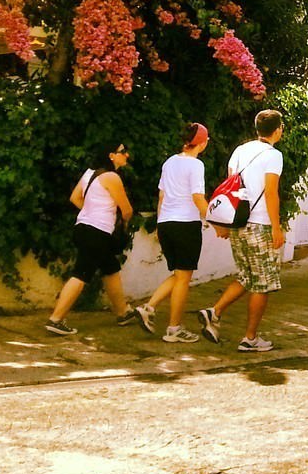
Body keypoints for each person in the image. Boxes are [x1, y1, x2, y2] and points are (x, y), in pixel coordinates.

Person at [196, 109, 285, 352]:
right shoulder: (273, 156)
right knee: (262, 284)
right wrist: (276, 227)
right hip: (260, 225)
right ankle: (250, 338)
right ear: (278, 130)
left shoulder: (240, 151)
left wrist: (225, 223)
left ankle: (214, 312)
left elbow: (230, 189)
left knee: (246, 276)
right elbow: (270, 192)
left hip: (238, 223)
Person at [46, 143, 139, 335]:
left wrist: (91, 212)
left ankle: (123, 312)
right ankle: (56, 319)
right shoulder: (112, 177)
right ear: (111, 155)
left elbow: (74, 198)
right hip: (98, 233)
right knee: (81, 273)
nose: (127, 155)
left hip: (83, 228)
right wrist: (123, 225)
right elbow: (127, 210)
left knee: (111, 268)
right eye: (123, 152)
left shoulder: (90, 173)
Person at [132, 122, 210, 343]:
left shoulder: (169, 163)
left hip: (167, 223)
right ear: (202, 143)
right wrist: (215, 220)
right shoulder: (196, 166)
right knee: (184, 278)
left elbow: (161, 196)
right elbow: (197, 197)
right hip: (185, 224)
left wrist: (159, 224)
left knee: (179, 274)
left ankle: (149, 307)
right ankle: (174, 329)